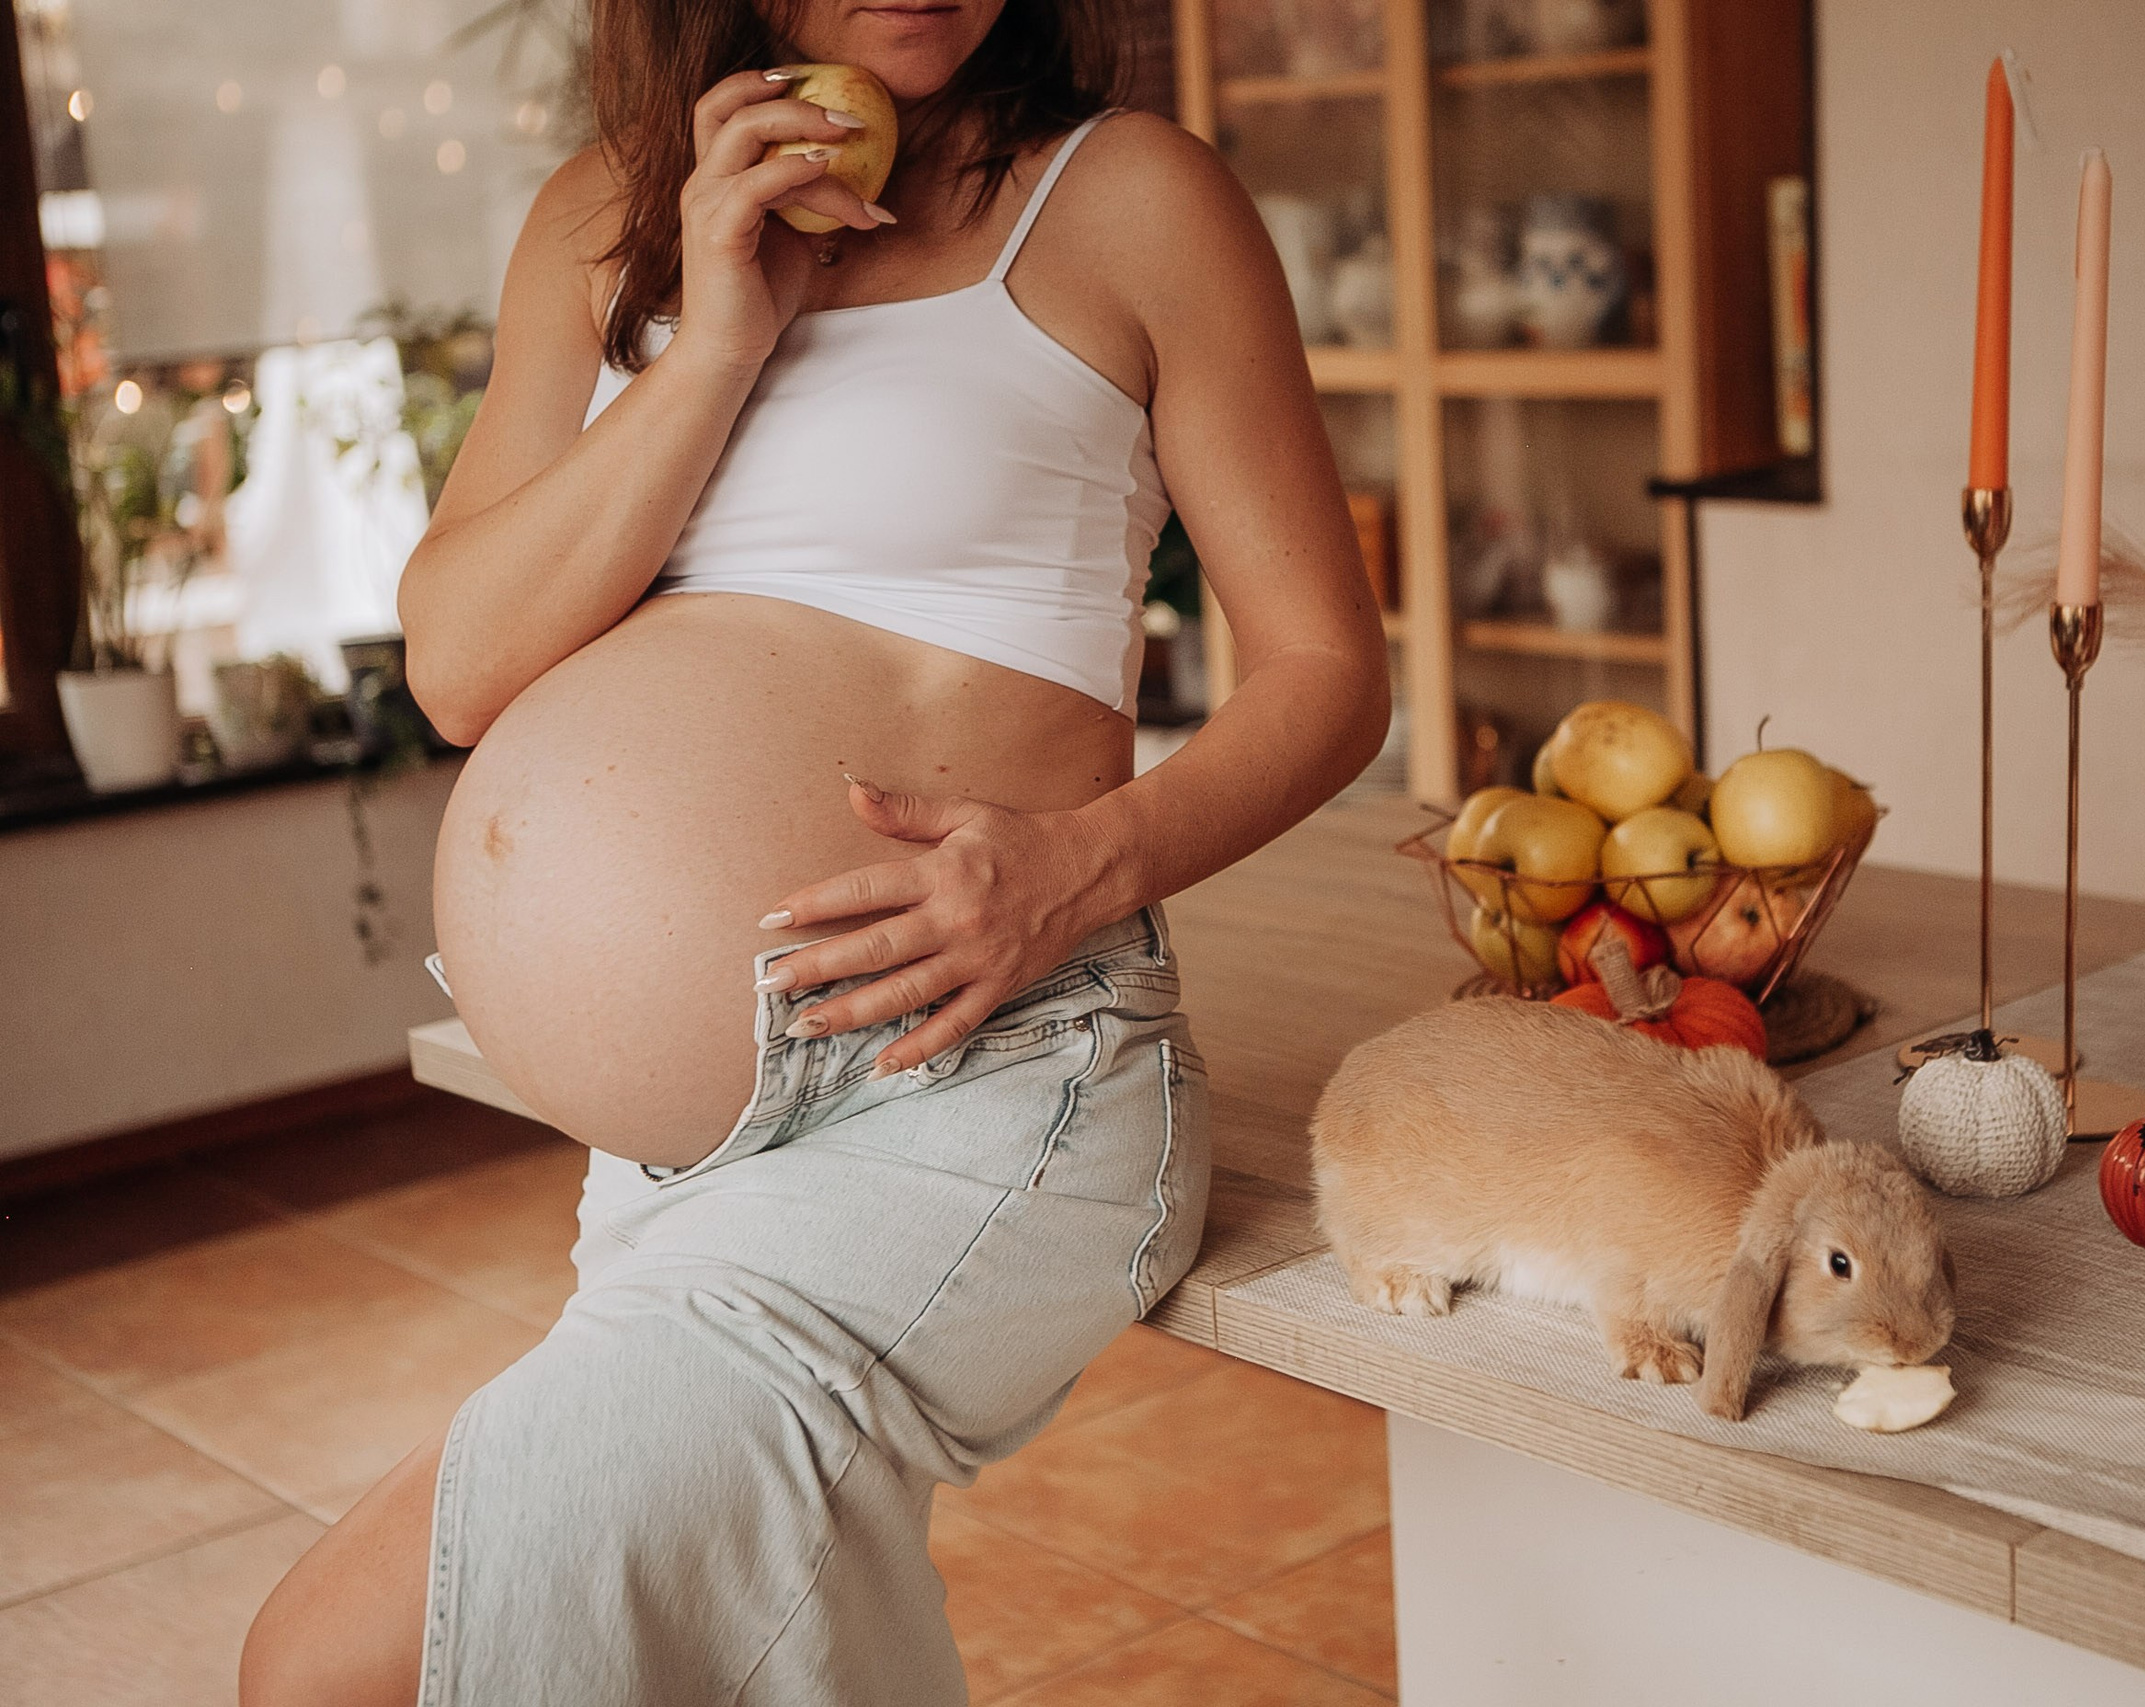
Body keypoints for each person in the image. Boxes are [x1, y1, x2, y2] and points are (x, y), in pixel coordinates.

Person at [238, 1, 1388, 1701]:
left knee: (320, 1666)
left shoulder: (1126, 197)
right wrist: (713, 338)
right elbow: (462, 666)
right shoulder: (600, 225)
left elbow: (1328, 671)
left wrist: (1083, 860)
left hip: (977, 1086)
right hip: (673, 1172)